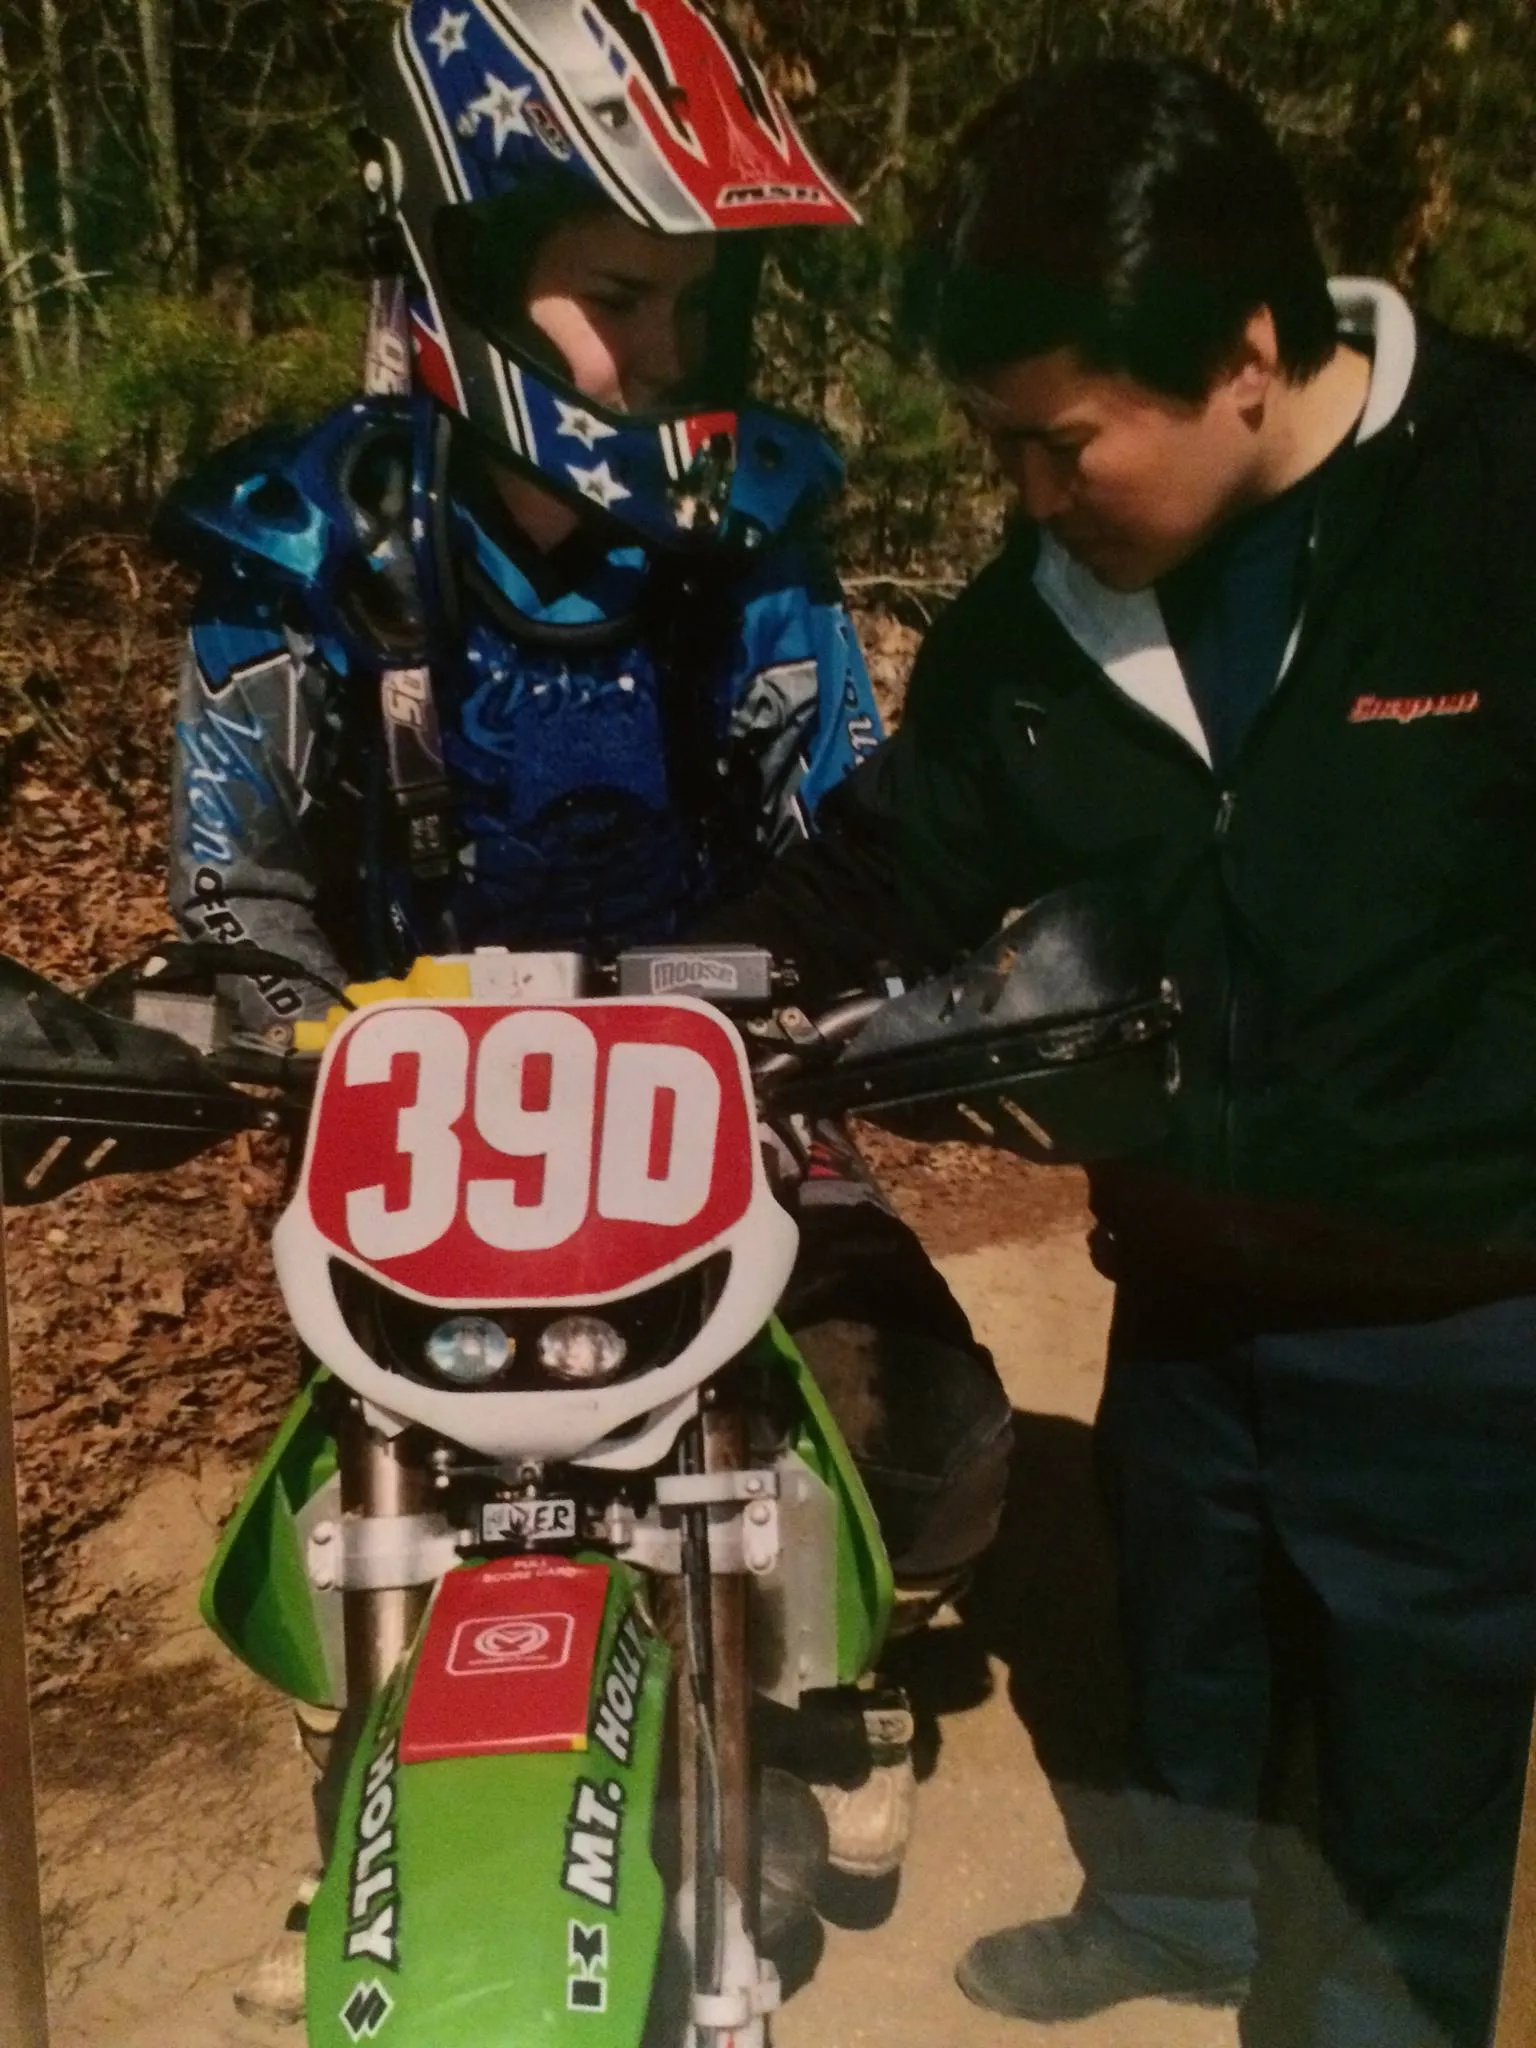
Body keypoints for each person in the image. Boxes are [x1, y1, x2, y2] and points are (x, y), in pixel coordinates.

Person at [158, 0, 1012, 2021]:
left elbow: (846, 816)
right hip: (418, 1108)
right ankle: (378, 1778)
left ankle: (818, 1691)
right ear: (455, 268)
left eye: (694, 308)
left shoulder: (755, 541)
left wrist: (879, 995)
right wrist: (251, 1002)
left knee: (931, 1428)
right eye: (616, 296)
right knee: (344, 1469)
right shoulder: (297, 549)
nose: (662, 354)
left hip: (728, 1075)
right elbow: (234, 865)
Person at [697, 55, 1536, 2048]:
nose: (1032, 496)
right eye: (999, 450)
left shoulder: (1502, 507)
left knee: (1415, 1773)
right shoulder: (1030, 629)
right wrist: (666, 985)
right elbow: (881, 870)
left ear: (1248, 349)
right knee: (1188, 1660)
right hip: (1178, 1287)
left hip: (1460, 1317)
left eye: (1061, 443)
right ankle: (1173, 1913)